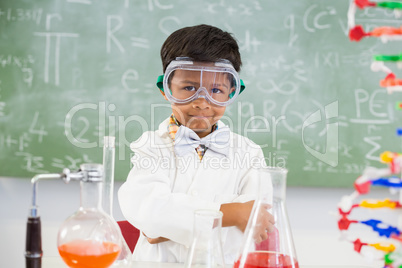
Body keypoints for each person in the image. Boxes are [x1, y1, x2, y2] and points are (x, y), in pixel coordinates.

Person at [118, 24, 274, 264]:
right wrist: (232, 213)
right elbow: (146, 210)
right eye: (189, 88)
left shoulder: (249, 154)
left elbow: (258, 224)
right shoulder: (150, 146)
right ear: (166, 88)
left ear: (232, 92)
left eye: (216, 90)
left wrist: (169, 222)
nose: (202, 102)